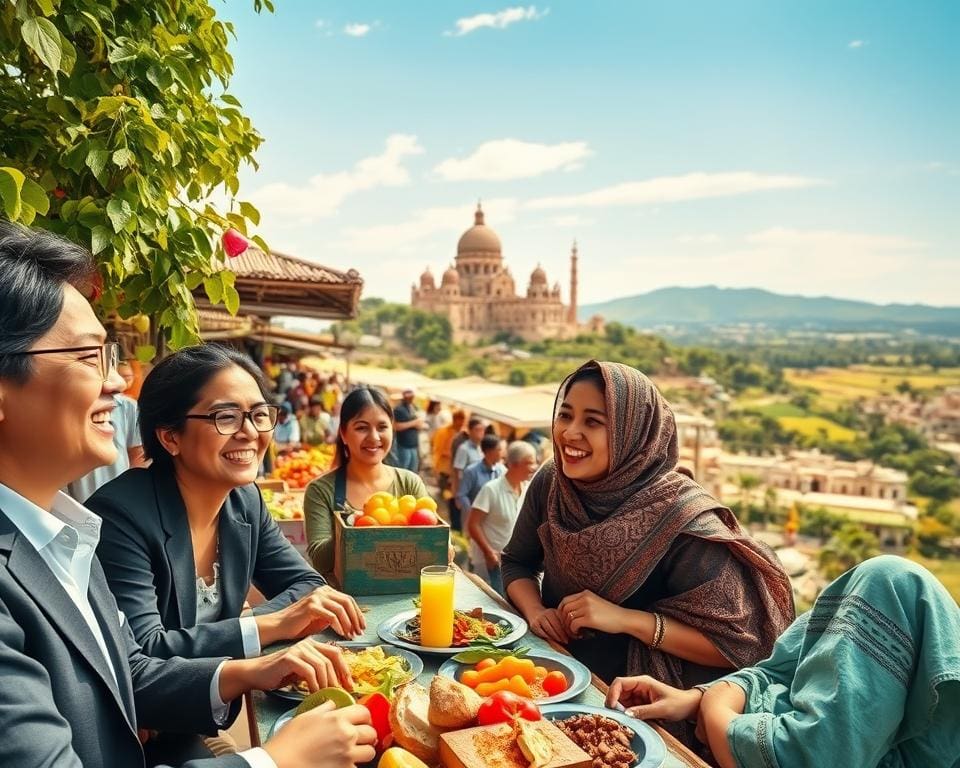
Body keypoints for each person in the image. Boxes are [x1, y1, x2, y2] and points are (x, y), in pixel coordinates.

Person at [0, 221, 376, 768]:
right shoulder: (114, 516)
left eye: (258, 414)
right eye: (88, 358)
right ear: (170, 436)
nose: (115, 383)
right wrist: (270, 761)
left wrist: (251, 669)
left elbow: (128, 668)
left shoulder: (64, 534)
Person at [501, 360, 794, 745]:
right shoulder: (553, 483)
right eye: (565, 415)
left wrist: (625, 619)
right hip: (551, 680)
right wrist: (535, 611)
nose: (570, 433)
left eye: (594, 422)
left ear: (632, 433)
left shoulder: (678, 516)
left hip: (633, 715)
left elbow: (742, 644)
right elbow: (516, 561)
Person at [88, 343, 364, 665]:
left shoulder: (244, 501)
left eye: (259, 414)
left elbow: (306, 584)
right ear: (170, 437)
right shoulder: (121, 517)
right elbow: (144, 649)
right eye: (227, 417)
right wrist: (268, 624)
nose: (249, 432)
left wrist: (256, 623)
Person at [605, 555, 960, 768]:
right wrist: (696, 700)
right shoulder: (875, 592)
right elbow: (785, 668)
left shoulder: (890, 595)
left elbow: (812, 756)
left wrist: (716, 712)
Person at [303, 386, 429, 577]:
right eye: (362, 428)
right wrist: (359, 523)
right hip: (347, 602)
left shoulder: (410, 483)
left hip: (408, 599)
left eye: (382, 427)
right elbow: (320, 560)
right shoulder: (320, 491)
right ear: (344, 434)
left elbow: (434, 545)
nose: (374, 437)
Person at [66, 363, 147, 503]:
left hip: (120, 501)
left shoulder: (128, 407)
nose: (120, 383)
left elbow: (138, 455)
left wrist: (128, 493)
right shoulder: (65, 411)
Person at [468, 441, 538, 596]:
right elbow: (473, 524)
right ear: (513, 464)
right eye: (530, 463)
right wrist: (489, 552)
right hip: (493, 562)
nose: (534, 467)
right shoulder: (491, 490)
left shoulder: (527, 489)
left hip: (514, 563)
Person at [456, 434, 505, 527]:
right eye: (499, 450)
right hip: (475, 521)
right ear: (489, 451)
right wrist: (472, 512)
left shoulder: (502, 470)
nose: (501, 453)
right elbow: (462, 495)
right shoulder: (471, 471)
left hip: (495, 521)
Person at [451, 416, 486, 529]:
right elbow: (457, 471)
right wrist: (457, 494)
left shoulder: (481, 448)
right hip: (466, 493)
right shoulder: (464, 449)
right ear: (470, 431)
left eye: (482, 430)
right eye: (477, 430)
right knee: (467, 525)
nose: (480, 433)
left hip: (479, 492)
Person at [433, 409, 466, 526]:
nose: (461, 423)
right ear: (455, 419)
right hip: (445, 470)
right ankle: (444, 519)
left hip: (457, 471)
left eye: (463, 421)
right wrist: (436, 468)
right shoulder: (444, 432)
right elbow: (437, 449)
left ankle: (452, 521)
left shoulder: (463, 434)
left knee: (454, 499)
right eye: (459, 420)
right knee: (447, 497)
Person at [392, 387, 424, 472]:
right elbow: (396, 426)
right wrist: (414, 423)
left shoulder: (414, 408)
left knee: (412, 472)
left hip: (413, 445)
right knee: (402, 471)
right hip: (403, 445)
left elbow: (419, 424)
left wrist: (418, 424)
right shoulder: (399, 409)